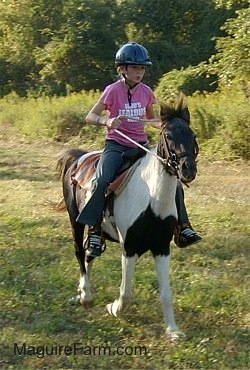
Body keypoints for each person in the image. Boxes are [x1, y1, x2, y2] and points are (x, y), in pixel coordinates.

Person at [76, 42, 202, 257]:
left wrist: (166, 125)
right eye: (135, 68)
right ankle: (95, 230)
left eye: (142, 68)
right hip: (116, 146)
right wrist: (107, 121)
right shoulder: (112, 91)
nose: (140, 72)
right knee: (101, 180)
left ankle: (183, 227)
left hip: (141, 146)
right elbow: (90, 117)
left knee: (174, 180)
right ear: (122, 69)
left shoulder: (146, 92)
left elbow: (150, 119)